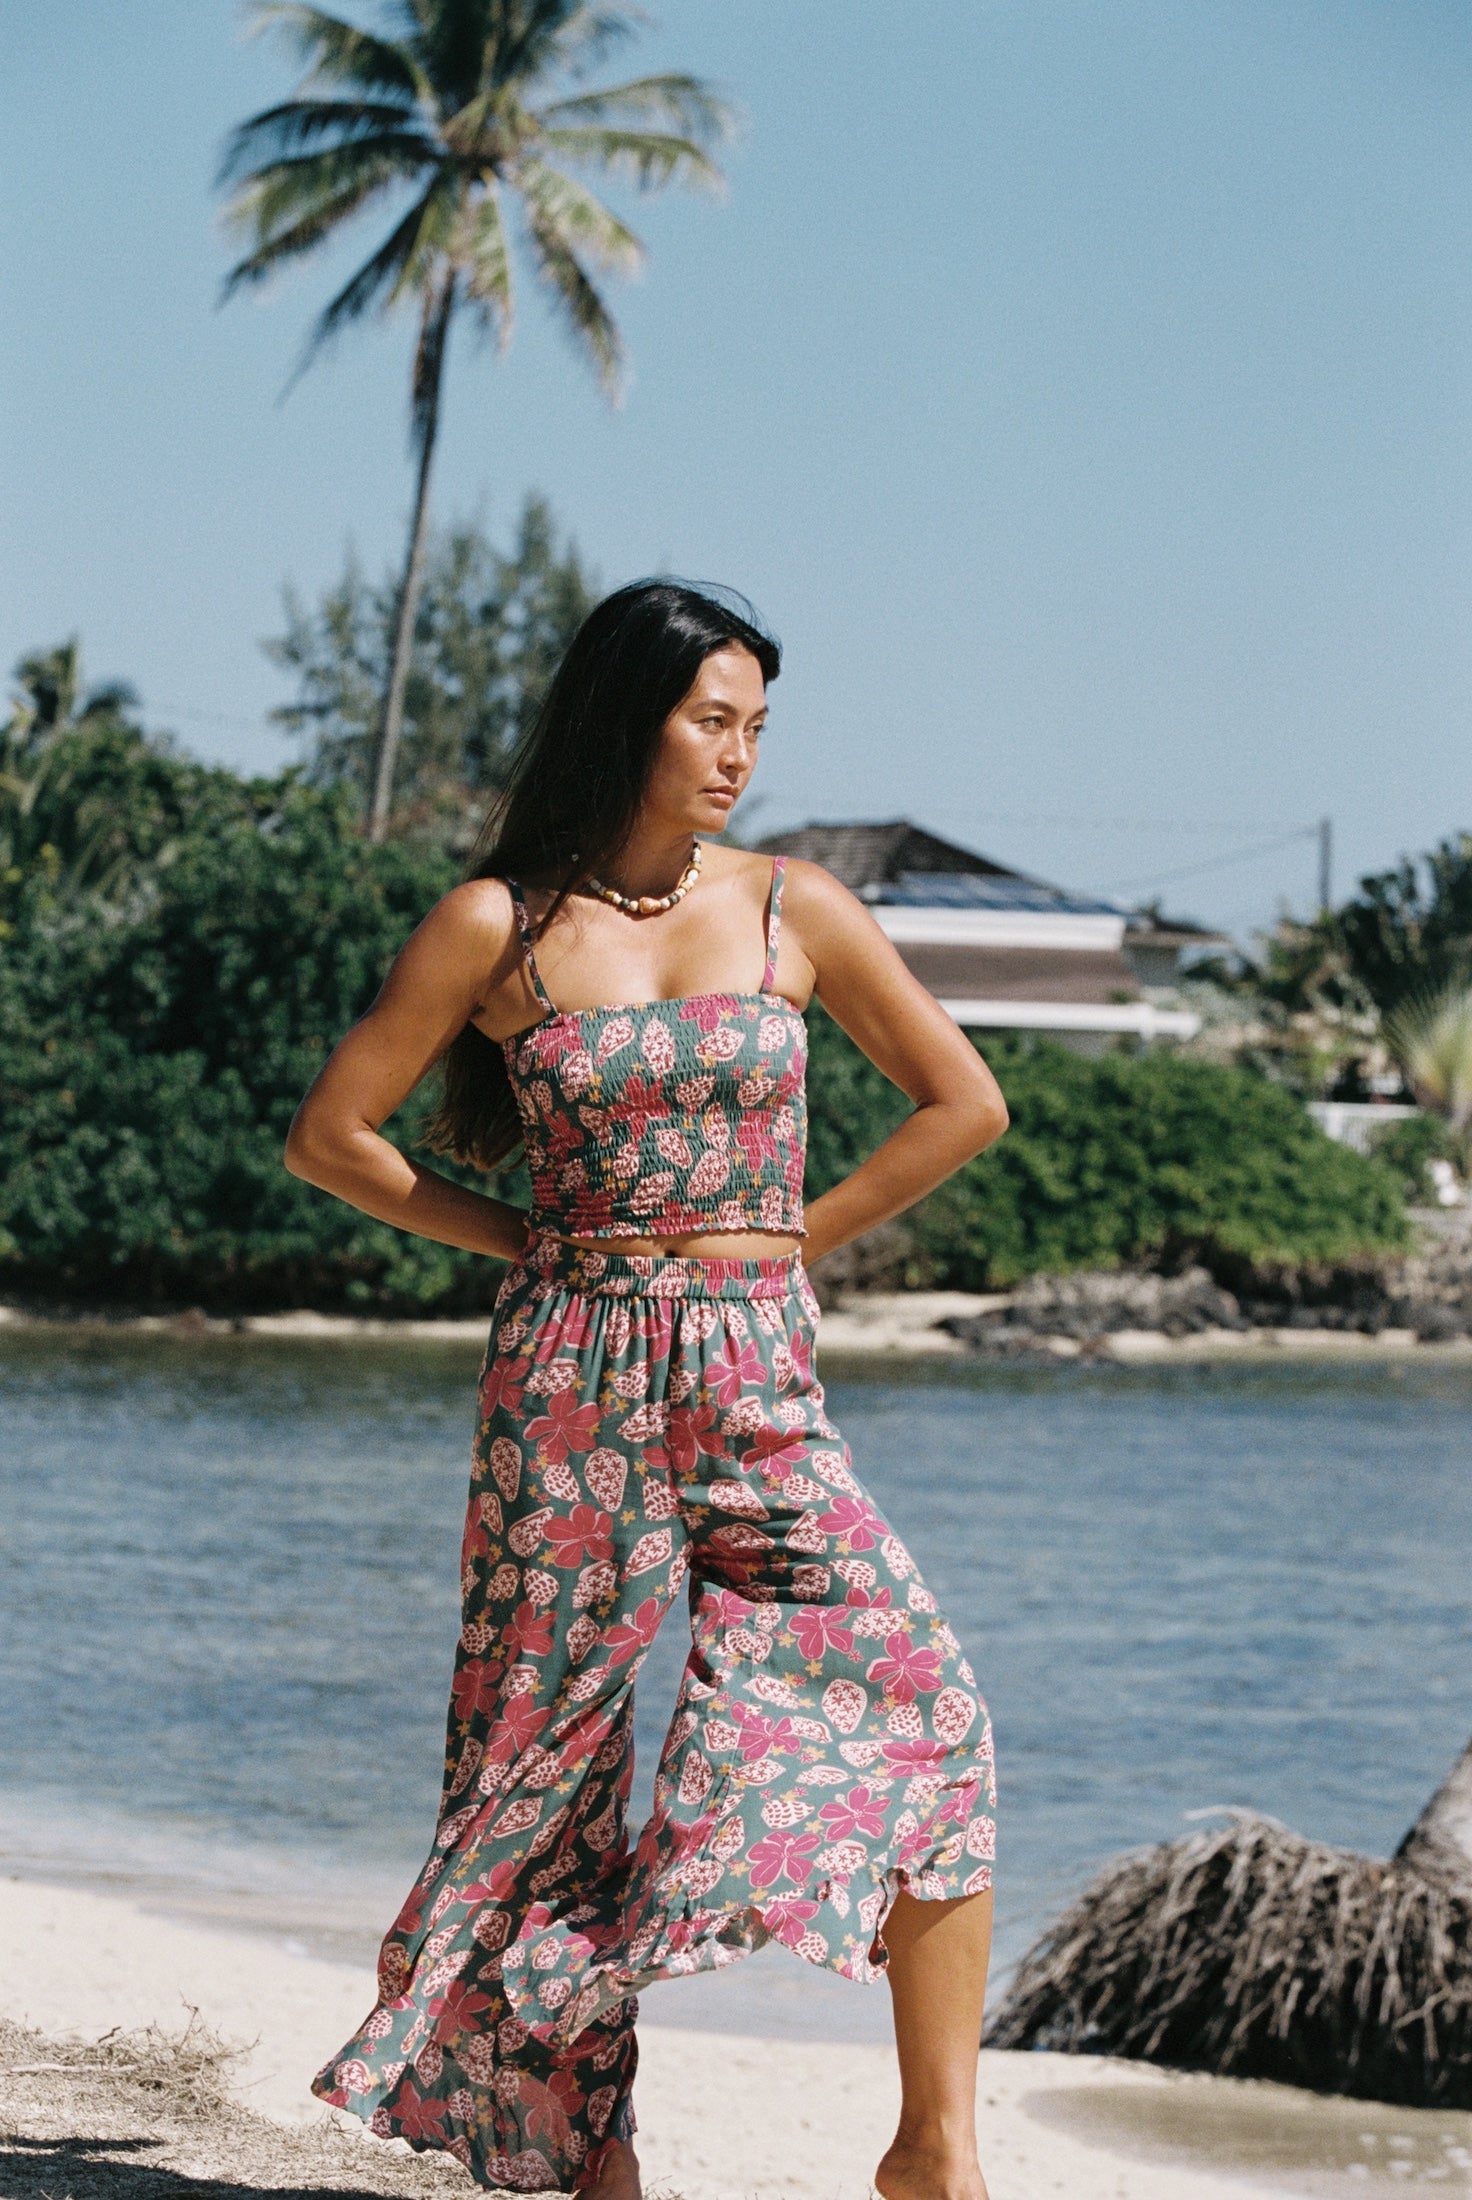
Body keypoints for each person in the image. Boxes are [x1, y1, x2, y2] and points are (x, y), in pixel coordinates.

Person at [285, 581, 1009, 2200]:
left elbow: (965, 1103)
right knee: (544, 1768)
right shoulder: (500, 926)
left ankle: (936, 2153)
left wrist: (778, 1249)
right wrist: (530, 1242)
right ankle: (587, 2164)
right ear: (630, 718)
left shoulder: (793, 907)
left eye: (757, 723)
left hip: (756, 1367)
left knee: (927, 1701)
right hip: (572, 1371)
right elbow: (334, 1140)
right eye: (712, 718)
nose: (740, 754)